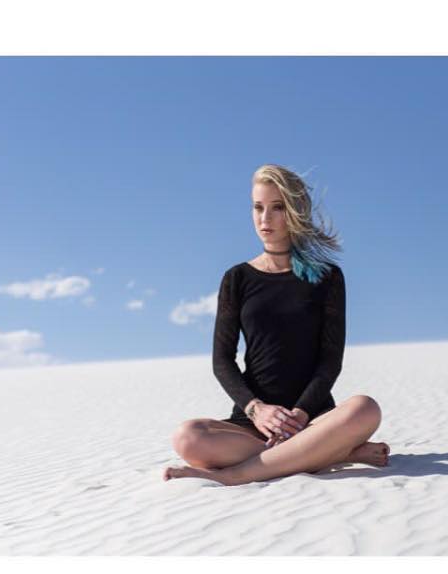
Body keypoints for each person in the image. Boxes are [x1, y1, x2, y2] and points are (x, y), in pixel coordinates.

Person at [164, 163, 388, 486]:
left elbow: (330, 362)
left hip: (313, 421)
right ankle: (333, 454)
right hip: (254, 426)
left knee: (366, 409)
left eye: (277, 208)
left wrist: (298, 415)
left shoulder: (327, 278)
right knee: (187, 437)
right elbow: (222, 361)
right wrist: (258, 410)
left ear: (295, 212)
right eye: (258, 208)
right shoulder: (236, 278)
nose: (264, 219)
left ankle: (234, 475)